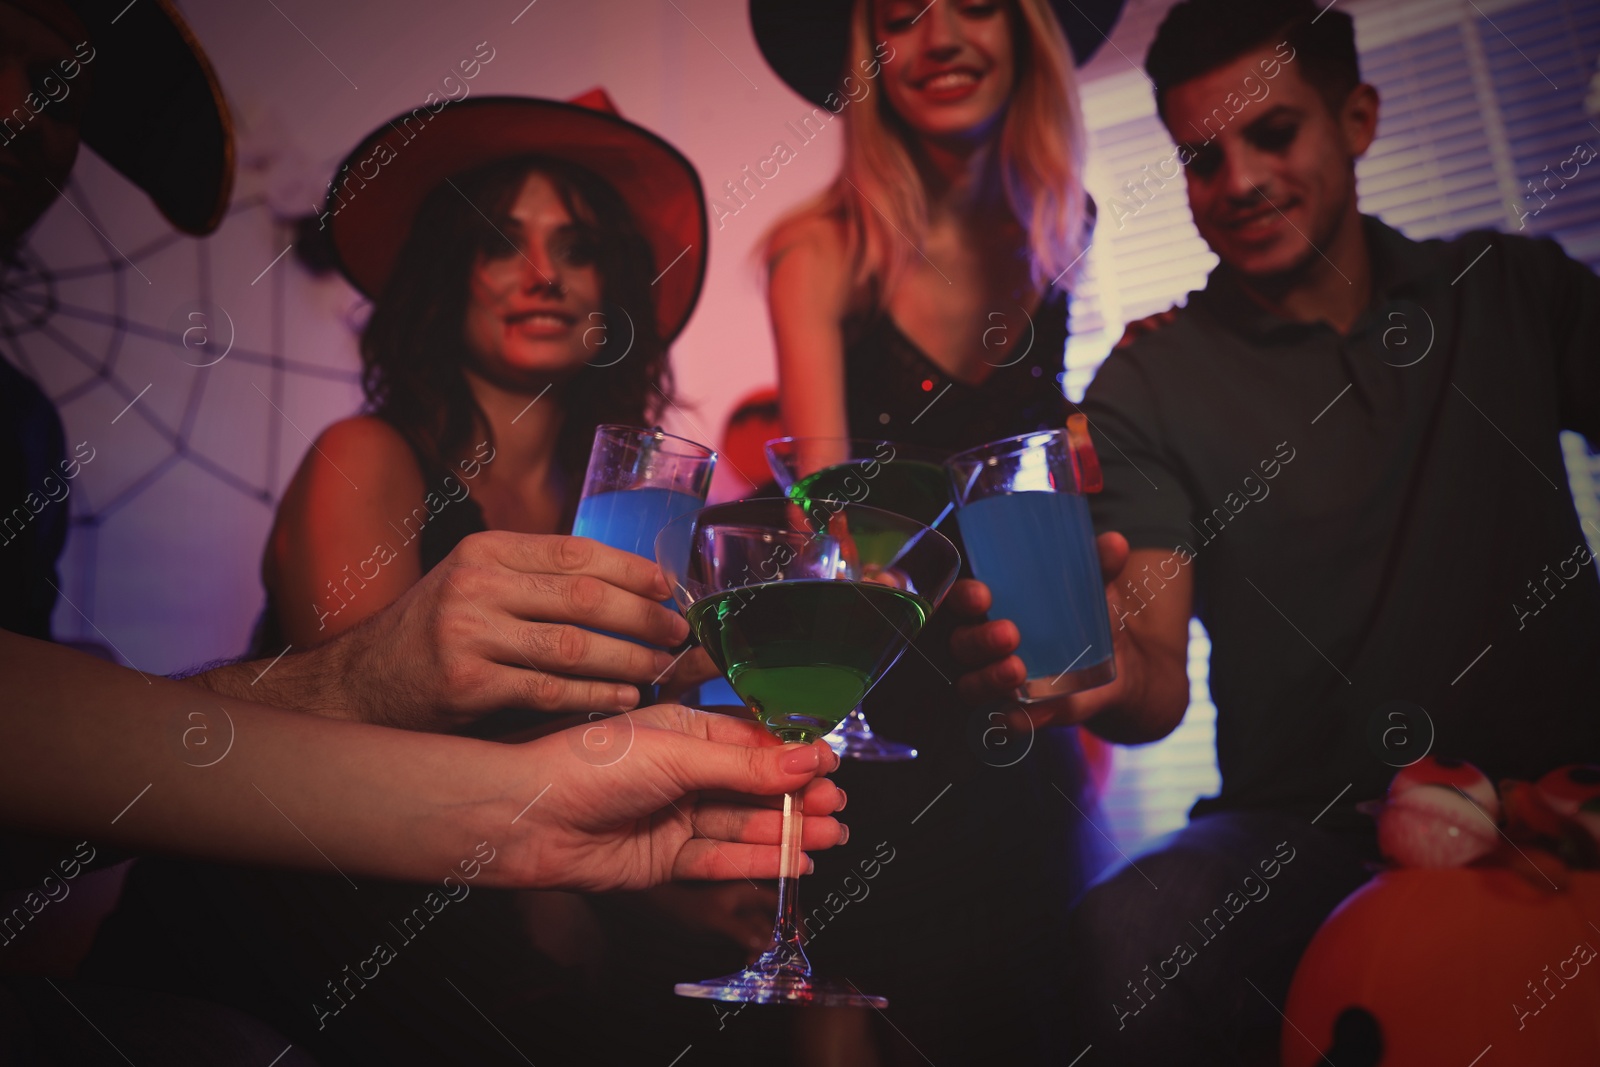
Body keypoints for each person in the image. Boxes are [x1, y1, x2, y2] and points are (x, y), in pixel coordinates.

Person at [1, 5, 845, 1060]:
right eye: (500, 243)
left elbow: (648, 719)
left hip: (548, 881)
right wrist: (562, 898)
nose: (540, 273)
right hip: (324, 921)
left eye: (576, 249)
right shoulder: (365, 458)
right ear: (449, 273)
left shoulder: (648, 504)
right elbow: (373, 738)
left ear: (612, 294)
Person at [951, 0, 1600, 1062]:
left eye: (1274, 133)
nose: (1239, 181)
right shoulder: (1148, 382)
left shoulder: (1513, 290)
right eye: (1202, 158)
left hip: (1571, 790)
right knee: (1130, 935)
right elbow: (1152, 675)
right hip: (1299, 829)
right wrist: (1097, 672)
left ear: (1355, 118)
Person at [749, 0, 1121, 1062]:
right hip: (883, 728)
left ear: (1027, 32)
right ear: (866, 54)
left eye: (975, 3)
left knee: (1040, 1003)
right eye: (901, 13)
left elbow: (1050, 475)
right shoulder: (816, 255)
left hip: (1019, 712)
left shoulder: (1060, 226)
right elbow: (823, 528)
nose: (940, 37)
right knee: (867, 1003)